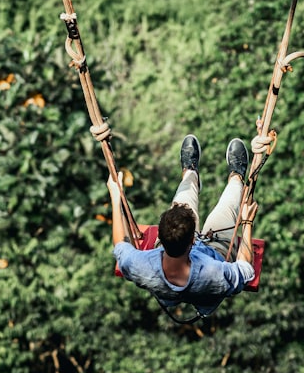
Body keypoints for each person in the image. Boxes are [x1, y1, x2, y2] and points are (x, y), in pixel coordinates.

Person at [108, 134, 259, 318]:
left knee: (184, 196)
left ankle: (190, 174)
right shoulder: (214, 273)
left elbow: (119, 246)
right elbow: (246, 270)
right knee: (229, 204)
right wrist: (247, 222)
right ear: (192, 240)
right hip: (215, 253)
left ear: (160, 239)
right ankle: (236, 177)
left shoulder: (141, 266)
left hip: (171, 290)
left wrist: (116, 200)